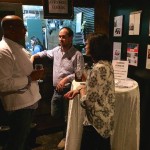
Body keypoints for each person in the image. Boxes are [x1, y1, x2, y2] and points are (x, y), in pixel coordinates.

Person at [30, 27, 84, 149]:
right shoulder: (56, 51)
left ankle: (66, 137)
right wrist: (33, 56)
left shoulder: (77, 54)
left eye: (63, 36)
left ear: (70, 38)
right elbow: (44, 53)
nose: (61, 39)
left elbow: (80, 73)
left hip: (69, 90)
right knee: (55, 113)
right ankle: (65, 132)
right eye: (60, 36)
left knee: (67, 116)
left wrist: (66, 79)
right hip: (56, 90)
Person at [0, 15, 44, 150]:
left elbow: (19, 68)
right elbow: (3, 84)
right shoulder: (3, 51)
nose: (25, 31)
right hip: (19, 106)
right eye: (22, 27)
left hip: (28, 103)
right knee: (16, 143)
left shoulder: (16, 46)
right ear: (10, 29)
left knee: (23, 140)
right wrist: (30, 78)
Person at [64, 33, 115, 150]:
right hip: (106, 120)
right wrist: (78, 89)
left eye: (87, 43)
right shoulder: (107, 64)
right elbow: (98, 87)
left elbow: (87, 102)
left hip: (95, 124)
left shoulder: (96, 69)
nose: (85, 46)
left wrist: (81, 92)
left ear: (95, 47)